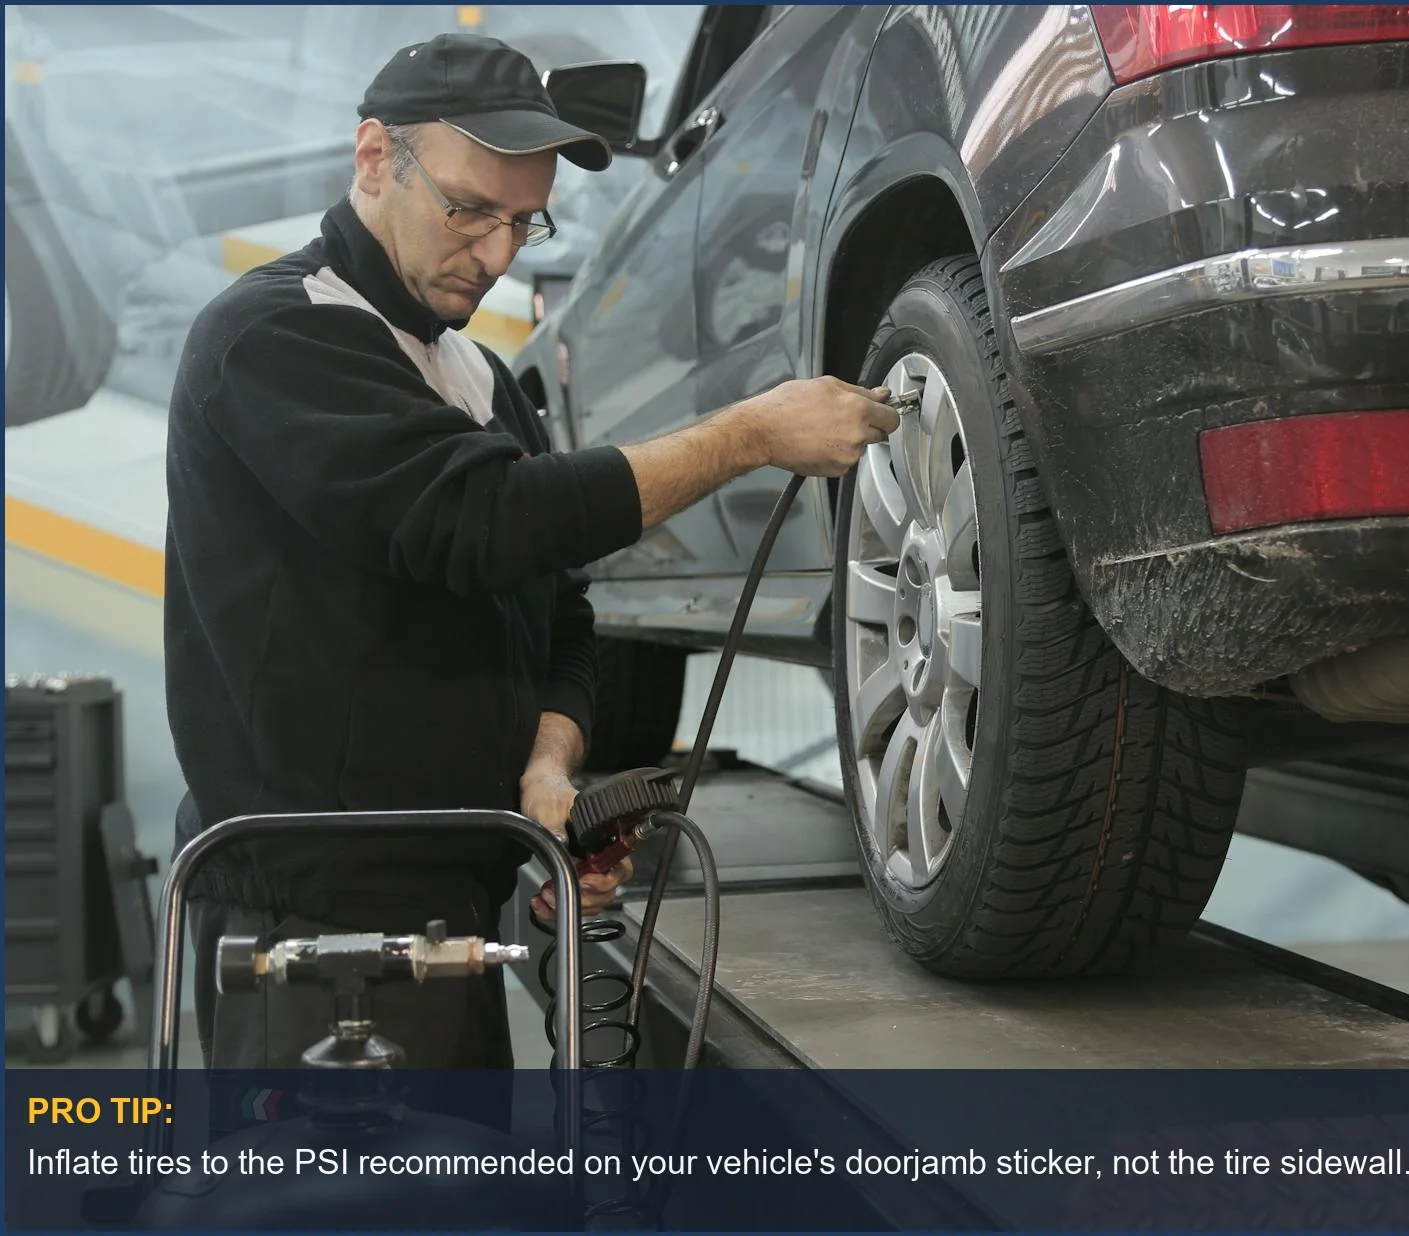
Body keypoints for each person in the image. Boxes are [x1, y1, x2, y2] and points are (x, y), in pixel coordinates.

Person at [164, 33, 898, 1069]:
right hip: (314, 920)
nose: (500, 255)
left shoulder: (476, 378)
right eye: (469, 210)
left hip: (454, 899)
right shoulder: (273, 335)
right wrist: (746, 434)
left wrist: (547, 771)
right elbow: (476, 522)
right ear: (376, 157)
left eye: (524, 221)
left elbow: (559, 611)